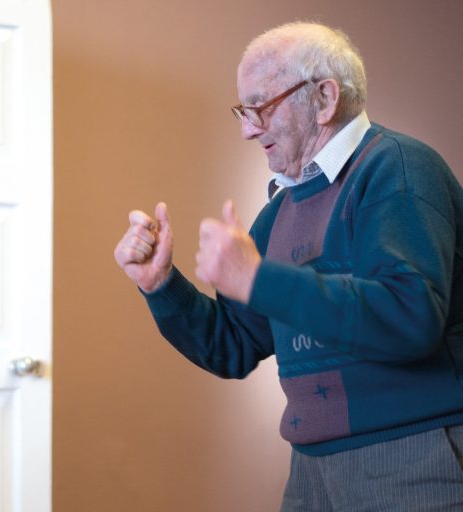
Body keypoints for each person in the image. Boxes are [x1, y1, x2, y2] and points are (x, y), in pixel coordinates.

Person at [114, 21, 463, 511]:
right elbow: (232, 346)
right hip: (310, 468)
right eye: (242, 109)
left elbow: (410, 318)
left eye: (260, 106)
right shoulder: (278, 213)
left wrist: (259, 279)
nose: (247, 128)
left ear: (323, 98)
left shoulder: (399, 167)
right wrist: (161, 286)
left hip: (410, 457)